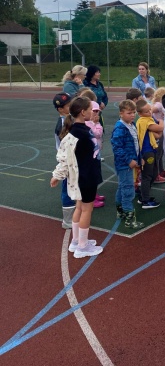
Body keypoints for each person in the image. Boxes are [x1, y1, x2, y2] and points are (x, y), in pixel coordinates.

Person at [50, 97, 103, 258]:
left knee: (79, 207)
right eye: (90, 109)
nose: (93, 112)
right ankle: (82, 247)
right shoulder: (77, 134)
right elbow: (64, 157)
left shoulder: (83, 129)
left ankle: (76, 241)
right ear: (83, 112)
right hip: (85, 177)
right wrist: (57, 175)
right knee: (86, 209)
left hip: (86, 175)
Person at [111, 100, 144, 229]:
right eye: (129, 113)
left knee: (122, 187)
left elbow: (136, 144)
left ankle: (121, 212)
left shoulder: (132, 125)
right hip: (124, 165)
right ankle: (129, 219)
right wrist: (129, 160)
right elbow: (117, 148)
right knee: (128, 190)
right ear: (121, 113)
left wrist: (139, 158)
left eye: (133, 112)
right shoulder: (120, 129)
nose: (132, 115)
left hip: (129, 162)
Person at [53, 92, 76, 228]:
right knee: (68, 188)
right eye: (68, 105)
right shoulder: (63, 124)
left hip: (72, 159)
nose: (71, 106)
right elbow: (66, 146)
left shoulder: (69, 119)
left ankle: (74, 215)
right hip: (67, 161)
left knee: (73, 186)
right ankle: (68, 220)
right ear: (60, 109)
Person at [135, 99, 163, 209]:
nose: (149, 112)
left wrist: (158, 129)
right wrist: (161, 120)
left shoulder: (148, 121)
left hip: (152, 150)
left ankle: (144, 195)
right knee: (147, 176)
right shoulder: (144, 121)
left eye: (150, 110)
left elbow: (158, 135)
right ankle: (145, 200)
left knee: (154, 174)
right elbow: (160, 128)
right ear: (140, 113)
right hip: (147, 152)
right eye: (146, 111)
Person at [85, 101, 106, 207]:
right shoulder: (87, 124)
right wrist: (96, 124)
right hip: (91, 154)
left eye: (98, 111)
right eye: (95, 111)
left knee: (96, 174)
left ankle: (94, 194)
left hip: (96, 152)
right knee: (91, 176)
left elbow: (100, 133)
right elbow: (97, 133)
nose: (96, 114)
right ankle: (90, 198)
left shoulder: (93, 123)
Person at [151, 86, 165, 183]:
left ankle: (161, 170)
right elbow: (151, 110)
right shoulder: (159, 104)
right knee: (158, 153)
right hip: (159, 130)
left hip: (161, 130)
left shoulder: (160, 105)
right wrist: (154, 120)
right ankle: (156, 174)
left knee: (160, 153)